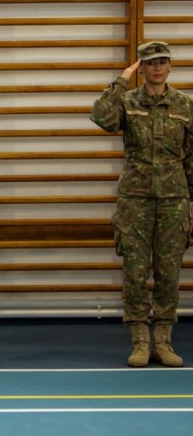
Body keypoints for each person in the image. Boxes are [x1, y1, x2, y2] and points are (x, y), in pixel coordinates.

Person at [90, 40, 190, 368]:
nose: (157, 67)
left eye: (162, 61)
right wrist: (121, 80)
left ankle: (162, 339)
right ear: (142, 68)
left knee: (168, 271)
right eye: (150, 62)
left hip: (174, 200)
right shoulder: (128, 102)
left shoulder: (185, 105)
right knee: (134, 270)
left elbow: (192, 159)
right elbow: (101, 117)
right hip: (135, 200)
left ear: (170, 66)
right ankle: (140, 339)